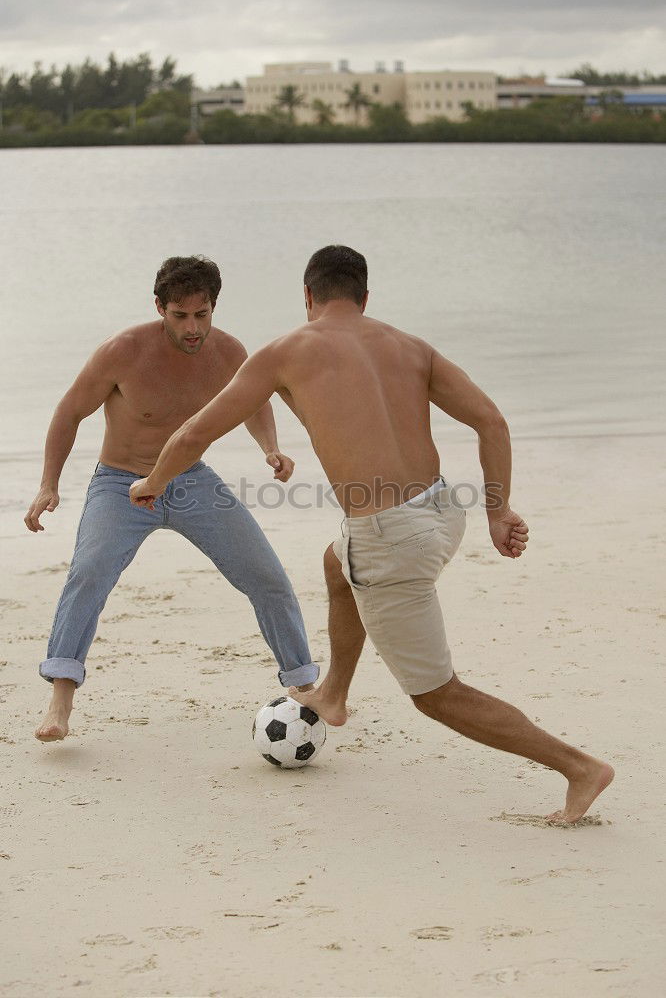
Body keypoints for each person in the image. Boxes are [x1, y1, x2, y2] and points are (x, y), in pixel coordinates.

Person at [129, 245, 614, 824]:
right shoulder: (410, 346)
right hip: (441, 510)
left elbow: (193, 434)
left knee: (437, 694)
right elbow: (492, 421)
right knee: (339, 564)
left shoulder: (285, 351)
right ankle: (333, 692)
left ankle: (579, 768)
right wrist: (498, 509)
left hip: (390, 537)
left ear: (308, 296)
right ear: (364, 297)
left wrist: (152, 482)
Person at [26, 255, 319, 743]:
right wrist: (48, 484)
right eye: (180, 315)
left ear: (213, 310)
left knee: (266, 576)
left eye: (202, 315)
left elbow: (256, 401)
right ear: (159, 307)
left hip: (192, 481)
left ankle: (305, 687)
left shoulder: (228, 352)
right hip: (121, 485)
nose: (192, 328)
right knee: (88, 575)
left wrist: (270, 448)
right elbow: (69, 412)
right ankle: (61, 696)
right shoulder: (123, 351)